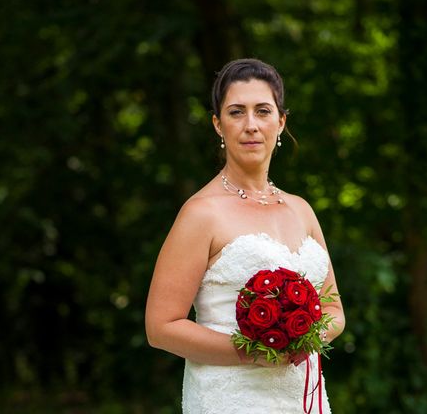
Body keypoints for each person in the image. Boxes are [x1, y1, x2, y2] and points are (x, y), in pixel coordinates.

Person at [145, 58, 345, 413]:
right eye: (236, 112)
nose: (250, 125)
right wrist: (254, 351)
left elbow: (333, 310)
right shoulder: (201, 213)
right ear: (218, 125)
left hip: (305, 398)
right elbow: (161, 327)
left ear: (281, 122)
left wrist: (303, 338)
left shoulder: (302, 210)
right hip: (231, 399)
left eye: (263, 111)